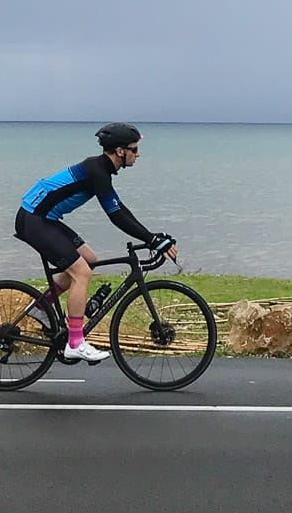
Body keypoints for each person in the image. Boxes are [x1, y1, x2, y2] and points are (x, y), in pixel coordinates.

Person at [13, 122, 174, 362]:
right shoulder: (97, 171)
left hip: (44, 218)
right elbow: (116, 216)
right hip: (34, 220)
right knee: (81, 274)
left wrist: (151, 237)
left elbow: (120, 209)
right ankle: (75, 342)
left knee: (89, 260)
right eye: (134, 149)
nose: (137, 154)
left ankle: (41, 307)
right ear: (120, 151)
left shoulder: (100, 170)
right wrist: (151, 240)